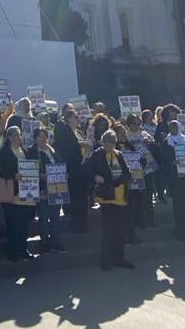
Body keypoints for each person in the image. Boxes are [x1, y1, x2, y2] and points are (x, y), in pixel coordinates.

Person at [84, 129, 132, 270]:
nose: (108, 147)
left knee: (120, 231)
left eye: (111, 144)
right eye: (106, 144)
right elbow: (86, 169)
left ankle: (119, 259)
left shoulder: (119, 154)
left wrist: (121, 180)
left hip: (120, 197)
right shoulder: (97, 155)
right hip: (107, 198)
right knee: (108, 231)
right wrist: (95, 177)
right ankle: (106, 261)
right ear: (102, 142)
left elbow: (127, 173)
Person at [0, 126, 33, 261]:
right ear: (9, 137)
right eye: (16, 135)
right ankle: (13, 251)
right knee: (12, 223)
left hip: (25, 192)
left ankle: (23, 249)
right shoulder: (5, 152)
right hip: (10, 192)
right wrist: (13, 175)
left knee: (23, 222)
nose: (19, 137)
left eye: (20, 134)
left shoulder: (24, 151)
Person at [28, 126, 65, 253]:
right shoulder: (32, 152)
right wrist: (39, 175)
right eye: (40, 136)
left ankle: (55, 241)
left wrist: (64, 174)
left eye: (45, 136)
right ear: (35, 138)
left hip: (56, 189)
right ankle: (45, 243)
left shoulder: (52, 150)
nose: (43, 139)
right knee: (43, 218)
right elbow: (29, 170)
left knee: (55, 217)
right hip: (42, 189)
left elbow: (60, 164)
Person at [54, 104, 89, 234]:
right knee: (76, 199)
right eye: (75, 116)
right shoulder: (65, 132)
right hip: (74, 170)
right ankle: (77, 225)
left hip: (82, 169)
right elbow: (68, 151)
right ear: (68, 118)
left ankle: (83, 224)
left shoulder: (77, 132)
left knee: (82, 198)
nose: (78, 118)